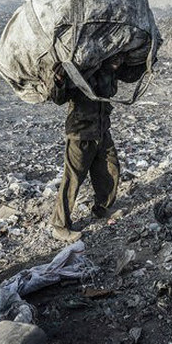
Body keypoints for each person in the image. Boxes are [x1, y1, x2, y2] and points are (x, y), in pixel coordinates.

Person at [48, 55, 143, 242]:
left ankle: (103, 208)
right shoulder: (82, 70)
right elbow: (59, 98)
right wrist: (59, 80)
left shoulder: (110, 71)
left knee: (111, 168)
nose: (117, 63)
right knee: (73, 178)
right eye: (114, 60)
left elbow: (131, 75)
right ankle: (59, 225)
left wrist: (147, 61)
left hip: (101, 130)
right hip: (81, 133)